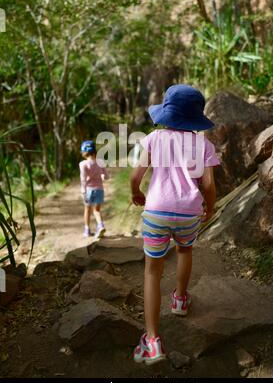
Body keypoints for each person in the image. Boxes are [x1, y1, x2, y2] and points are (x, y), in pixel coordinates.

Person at [130, 84, 220, 365]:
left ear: (167, 112)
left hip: (156, 210)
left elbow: (136, 177)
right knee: (185, 251)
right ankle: (180, 299)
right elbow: (208, 185)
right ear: (196, 117)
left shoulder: (154, 138)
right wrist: (210, 208)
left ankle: (153, 341)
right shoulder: (204, 144)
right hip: (188, 212)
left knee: (151, 272)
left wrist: (137, 193)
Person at [79, 140, 109, 239]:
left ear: (84, 151)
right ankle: (99, 225)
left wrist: (83, 191)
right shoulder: (100, 162)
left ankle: (87, 230)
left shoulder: (83, 164)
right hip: (100, 189)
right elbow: (107, 176)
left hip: (89, 190)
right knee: (97, 210)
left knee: (87, 209)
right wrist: (102, 176)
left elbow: (83, 179)